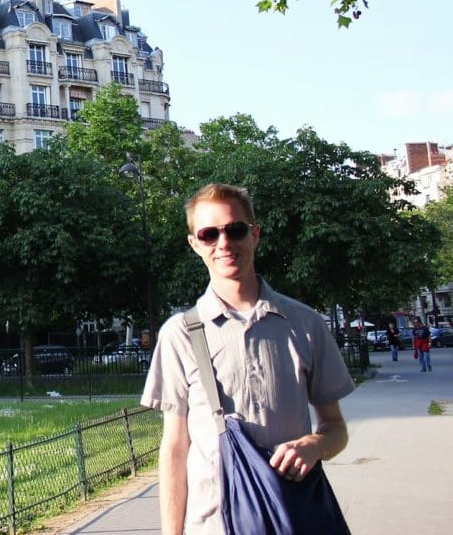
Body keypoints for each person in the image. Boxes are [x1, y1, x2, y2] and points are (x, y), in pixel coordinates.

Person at [141, 183, 354, 534]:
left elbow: (336, 427)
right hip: (211, 524)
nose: (224, 243)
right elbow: (175, 449)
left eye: (235, 230)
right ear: (195, 244)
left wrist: (316, 444)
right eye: (209, 234)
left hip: (293, 517)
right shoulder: (179, 334)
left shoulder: (304, 323)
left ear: (254, 235)